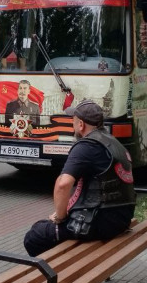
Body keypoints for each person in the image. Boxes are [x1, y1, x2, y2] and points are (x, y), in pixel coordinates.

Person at [23, 100, 136, 257]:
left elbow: (63, 184)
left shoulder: (86, 146)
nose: (72, 125)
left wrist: (60, 217)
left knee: (34, 235)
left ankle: (56, 277)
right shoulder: (112, 141)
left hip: (99, 222)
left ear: (81, 124)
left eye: (73, 121)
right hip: (122, 218)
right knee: (47, 229)